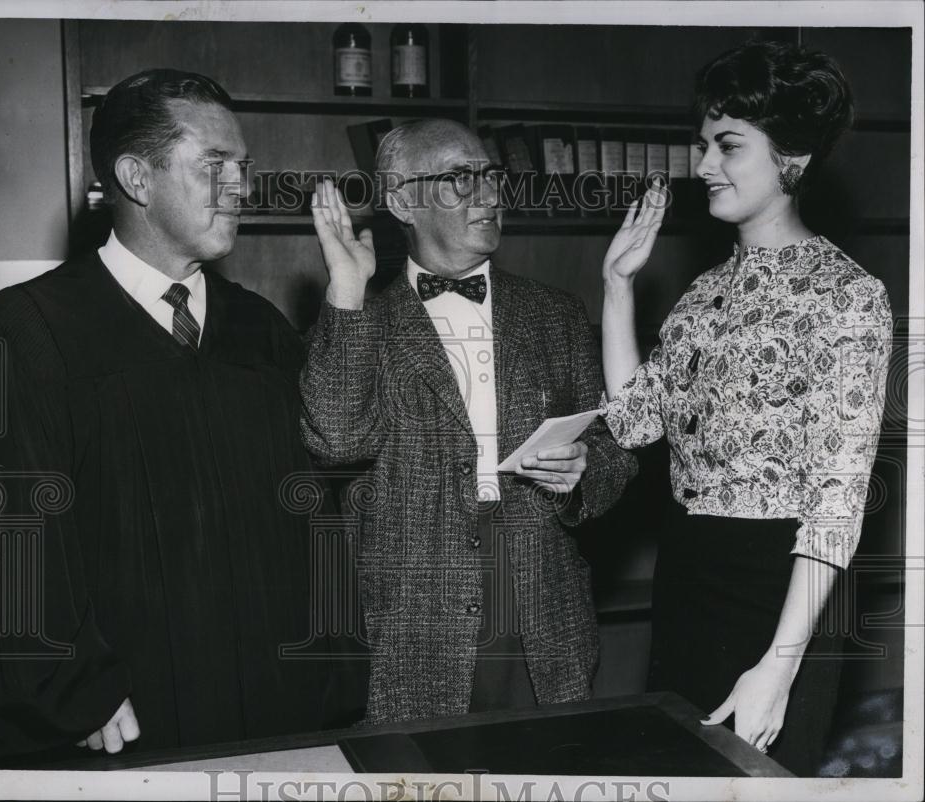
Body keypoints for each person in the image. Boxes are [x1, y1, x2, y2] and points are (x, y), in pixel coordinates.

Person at [0, 69, 346, 764]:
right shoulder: (27, 330)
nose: (241, 187)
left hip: (268, 706)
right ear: (137, 177)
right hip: (126, 717)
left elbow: (310, 518)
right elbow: (13, 529)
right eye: (214, 165)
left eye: (243, 166)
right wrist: (73, 689)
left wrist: (328, 668)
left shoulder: (258, 329)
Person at [598, 41, 892, 776]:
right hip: (689, 572)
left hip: (782, 588)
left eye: (727, 145)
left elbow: (837, 503)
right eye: (702, 144)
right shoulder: (702, 294)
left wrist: (780, 667)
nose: (702, 165)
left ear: (790, 158)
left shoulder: (847, 297)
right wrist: (616, 288)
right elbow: (633, 424)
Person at [300, 118, 638, 725]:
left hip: (541, 609)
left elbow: (615, 451)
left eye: (490, 175)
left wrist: (582, 474)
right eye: (461, 178)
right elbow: (335, 437)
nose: (489, 195)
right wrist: (347, 291)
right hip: (415, 622)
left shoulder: (554, 314)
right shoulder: (360, 321)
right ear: (403, 200)